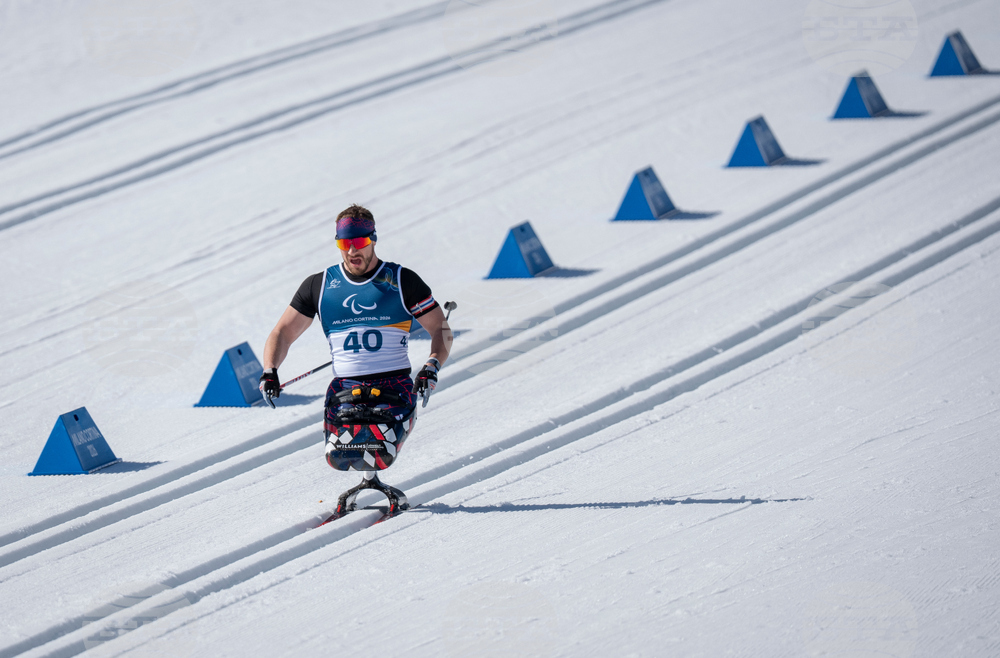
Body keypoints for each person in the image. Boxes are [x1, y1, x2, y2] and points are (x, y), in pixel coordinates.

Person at [258, 204, 451, 514]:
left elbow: (441, 329)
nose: (351, 251)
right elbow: (283, 331)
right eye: (344, 244)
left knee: (379, 445)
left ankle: (374, 480)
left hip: (394, 385)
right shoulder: (320, 286)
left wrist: (432, 365)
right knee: (339, 454)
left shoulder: (402, 280)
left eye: (359, 243)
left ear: (373, 239)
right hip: (345, 388)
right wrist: (270, 370)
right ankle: (366, 482)